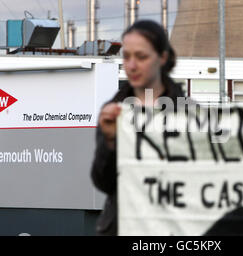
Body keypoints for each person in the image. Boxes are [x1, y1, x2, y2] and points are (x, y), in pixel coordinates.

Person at [90, 20, 184, 236]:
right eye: (127, 56)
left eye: (141, 57)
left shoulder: (188, 115)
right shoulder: (114, 112)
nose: (131, 65)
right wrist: (110, 143)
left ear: (162, 58)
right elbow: (103, 182)